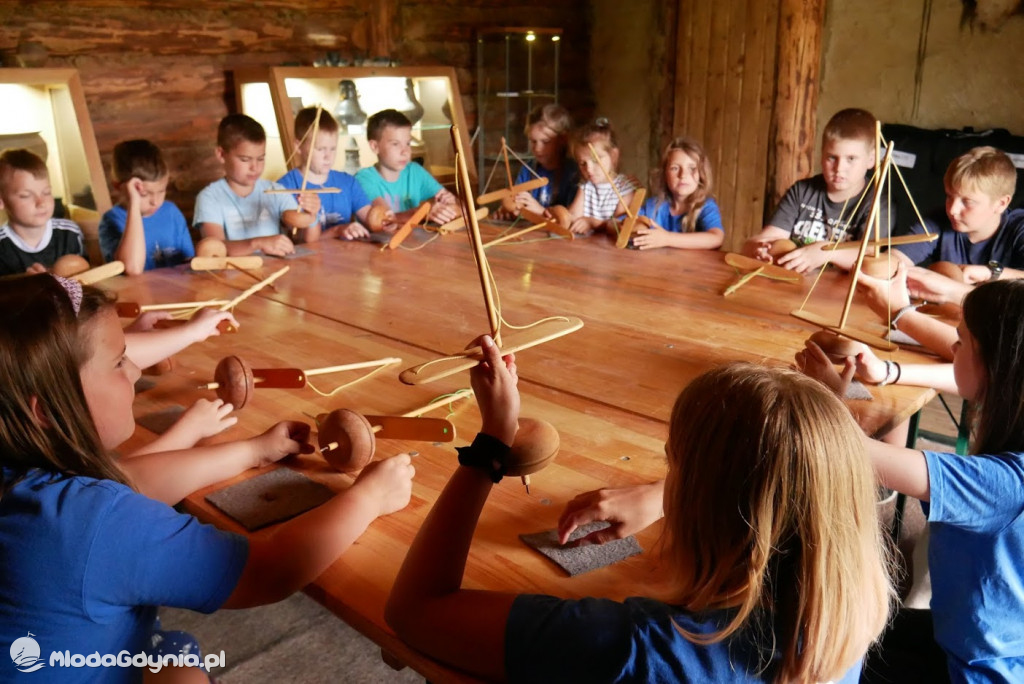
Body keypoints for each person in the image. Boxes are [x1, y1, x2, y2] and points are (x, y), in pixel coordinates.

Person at [386, 343, 892, 682]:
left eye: (673, 465)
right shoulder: (840, 611)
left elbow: (414, 611)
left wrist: (493, 442)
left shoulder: (629, 649)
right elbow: (795, 478)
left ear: (704, 507)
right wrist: (662, 494)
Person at [0, 274, 414, 682]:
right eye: (118, 362)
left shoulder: (24, 479)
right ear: (46, 412)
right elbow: (266, 572)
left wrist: (253, 450)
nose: (133, 370)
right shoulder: (91, 524)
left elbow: (130, 481)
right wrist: (369, 498)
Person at [798, 278, 1024, 682]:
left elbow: (853, 452)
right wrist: (887, 371)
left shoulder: (1001, 485)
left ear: (994, 367)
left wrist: (830, 396)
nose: (952, 349)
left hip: (973, 670)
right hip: (966, 636)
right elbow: (967, 376)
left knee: (809, 653)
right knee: (838, 630)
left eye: (961, 341)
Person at [744, 108, 892, 273]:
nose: (839, 168)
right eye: (831, 157)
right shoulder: (802, 191)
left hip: (840, 292)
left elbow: (871, 258)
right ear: (821, 155)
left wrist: (827, 252)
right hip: (793, 285)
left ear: (871, 160)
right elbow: (769, 237)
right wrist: (760, 248)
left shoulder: (878, 203)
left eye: (851, 159)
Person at [895, 146, 1024, 297]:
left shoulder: (1019, 227)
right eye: (949, 196)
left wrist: (990, 273)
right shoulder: (938, 220)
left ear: (1001, 203)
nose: (952, 210)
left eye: (967, 202)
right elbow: (897, 259)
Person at [194, 114, 320, 257]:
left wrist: (311, 215)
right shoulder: (210, 197)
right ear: (221, 154)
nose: (255, 167)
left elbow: (308, 239)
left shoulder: (275, 191)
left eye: (261, 159)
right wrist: (259, 243)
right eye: (245, 159)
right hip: (232, 275)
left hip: (276, 270)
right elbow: (215, 250)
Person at [277, 107, 376, 241]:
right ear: (298, 146)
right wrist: (337, 230)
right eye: (320, 149)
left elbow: (371, 219)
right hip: (307, 260)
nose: (328, 157)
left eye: (333, 149)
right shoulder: (284, 188)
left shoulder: (347, 182)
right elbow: (299, 243)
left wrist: (385, 220)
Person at [99, 139, 195, 275]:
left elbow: (189, 263)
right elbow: (132, 269)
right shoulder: (111, 220)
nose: (155, 202)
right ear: (119, 187)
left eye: (162, 191)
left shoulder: (171, 212)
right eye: (144, 194)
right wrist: (134, 203)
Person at [354, 109, 458, 226]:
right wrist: (422, 212)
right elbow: (385, 220)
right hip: (378, 243)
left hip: (413, 242)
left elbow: (459, 208)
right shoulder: (364, 179)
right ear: (374, 146)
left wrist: (447, 205)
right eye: (395, 144)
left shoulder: (414, 171)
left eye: (408, 143)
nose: (405, 151)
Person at [0, 148, 84, 276]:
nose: (41, 203)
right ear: (2, 201)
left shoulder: (70, 232)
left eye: (46, 192)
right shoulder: (2, 246)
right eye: (25, 195)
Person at [633, 137, 724, 250]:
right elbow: (621, 223)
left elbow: (716, 238)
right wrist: (638, 227)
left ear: (701, 174)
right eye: (675, 168)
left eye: (691, 168)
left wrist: (667, 239)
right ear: (665, 174)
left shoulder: (706, 206)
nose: (682, 175)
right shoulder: (654, 205)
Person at [566, 118, 641, 236]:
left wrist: (592, 223)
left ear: (614, 156)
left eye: (596, 160)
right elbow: (572, 217)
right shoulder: (586, 187)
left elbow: (618, 226)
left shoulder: (625, 188)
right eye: (582, 163)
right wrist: (558, 215)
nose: (588, 169)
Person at [505, 104, 579, 215]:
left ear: (563, 139)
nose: (537, 148)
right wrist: (510, 210)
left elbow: (570, 218)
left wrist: (541, 212)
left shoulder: (573, 173)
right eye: (533, 141)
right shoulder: (527, 169)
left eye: (546, 142)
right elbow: (517, 204)